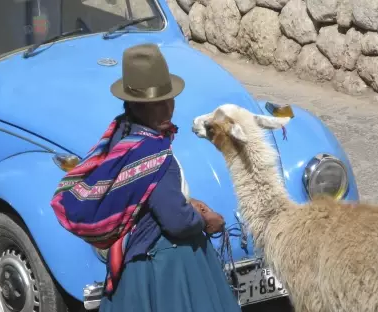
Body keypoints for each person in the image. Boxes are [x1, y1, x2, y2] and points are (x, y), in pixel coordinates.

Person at [51, 43, 242, 312]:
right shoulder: (154, 156)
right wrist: (205, 220)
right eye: (157, 103)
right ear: (136, 105)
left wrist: (186, 200)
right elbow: (177, 222)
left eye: (169, 99)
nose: (167, 110)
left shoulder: (120, 134)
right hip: (163, 272)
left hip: (129, 265)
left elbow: (144, 195)